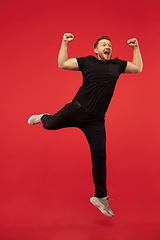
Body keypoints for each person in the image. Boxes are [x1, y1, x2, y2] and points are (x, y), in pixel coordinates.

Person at [28, 33, 143, 217]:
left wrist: (135, 48)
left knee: (100, 158)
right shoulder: (88, 61)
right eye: (104, 44)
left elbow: (137, 68)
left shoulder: (118, 65)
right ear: (96, 50)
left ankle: (100, 196)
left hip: (96, 121)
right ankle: (44, 117)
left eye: (110, 45)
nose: (108, 47)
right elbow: (62, 63)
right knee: (49, 126)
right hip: (76, 109)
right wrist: (64, 42)